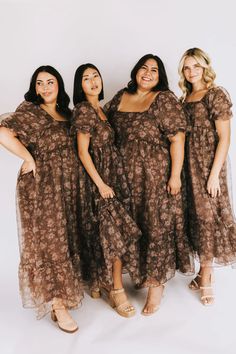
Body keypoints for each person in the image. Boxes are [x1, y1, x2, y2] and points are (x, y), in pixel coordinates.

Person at [104, 54, 194, 315]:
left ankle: (156, 287)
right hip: (121, 177)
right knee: (128, 226)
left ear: (160, 76)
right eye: (144, 68)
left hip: (154, 177)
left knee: (156, 227)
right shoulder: (121, 96)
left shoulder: (164, 99)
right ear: (135, 71)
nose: (147, 73)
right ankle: (129, 279)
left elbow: (178, 139)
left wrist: (175, 175)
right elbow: (101, 122)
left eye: (154, 70)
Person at [0, 66, 83, 333]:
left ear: (59, 85)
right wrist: (29, 158)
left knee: (66, 238)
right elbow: (2, 131)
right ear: (35, 88)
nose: (45, 87)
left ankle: (62, 295)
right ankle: (57, 305)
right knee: (49, 243)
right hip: (42, 186)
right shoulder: (30, 112)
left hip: (68, 186)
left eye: (50, 82)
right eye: (40, 83)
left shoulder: (67, 115)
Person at [72, 63, 141, 318]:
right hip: (97, 180)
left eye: (96, 76)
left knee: (106, 234)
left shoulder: (101, 110)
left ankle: (99, 282)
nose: (93, 82)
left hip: (112, 177)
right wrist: (100, 184)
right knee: (115, 235)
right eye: (86, 78)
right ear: (79, 85)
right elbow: (82, 151)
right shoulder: (83, 111)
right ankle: (117, 289)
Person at [178, 47, 236, 305]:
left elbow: (224, 138)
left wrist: (213, 176)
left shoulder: (215, 95)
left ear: (205, 68)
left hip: (207, 167)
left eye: (196, 67)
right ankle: (202, 271)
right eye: (187, 67)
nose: (191, 72)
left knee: (208, 217)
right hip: (186, 167)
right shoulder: (183, 99)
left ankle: (207, 275)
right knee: (194, 215)